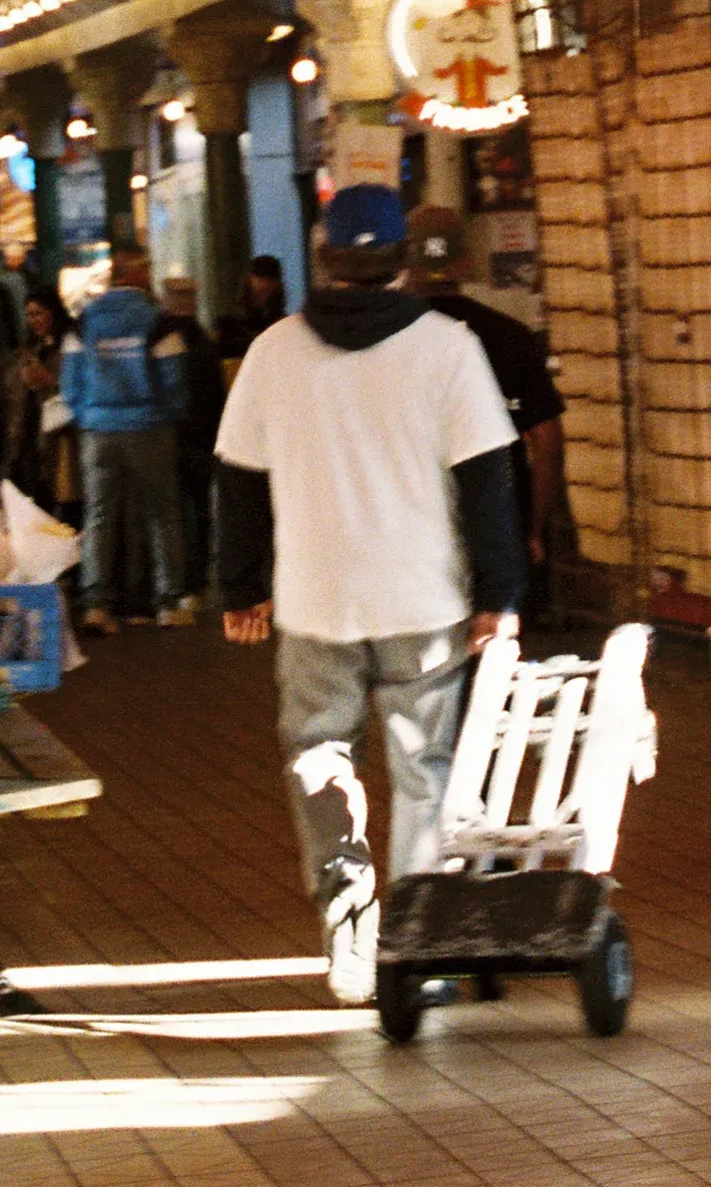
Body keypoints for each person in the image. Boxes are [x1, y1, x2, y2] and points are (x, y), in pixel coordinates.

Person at [215, 183, 525, 1004]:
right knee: (423, 768)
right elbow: (489, 479)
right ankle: (417, 946)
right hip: (424, 601)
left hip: (314, 601)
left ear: (323, 258)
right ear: (399, 264)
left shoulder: (274, 351)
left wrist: (241, 587)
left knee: (318, 752)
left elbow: (238, 480)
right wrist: (500, 593)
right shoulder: (447, 347)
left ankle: (348, 914)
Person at [402, 207, 566, 611]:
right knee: (496, 656)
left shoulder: (388, 343)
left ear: (405, 263)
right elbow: (548, 444)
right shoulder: (511, 336)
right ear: (467, 261)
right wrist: (534, 528)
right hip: (499, 530)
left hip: (413, 534)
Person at [63, 250, 189, 631]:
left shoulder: (83, 323)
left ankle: (96, 605)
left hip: (98, 431)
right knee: (162, 515)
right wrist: (167, 415)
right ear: (135, 273)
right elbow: (174, 379)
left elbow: (69, 382)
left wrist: (87, 415)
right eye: (147, 268)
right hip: (149, 428)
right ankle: (168, 602)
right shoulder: (159, 322)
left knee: (99, 517)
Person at [155, 273, 226, 602]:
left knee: (173, 512)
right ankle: (197, 582)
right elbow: (217, 394)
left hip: (170, 436)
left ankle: (178, 582)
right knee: (200, 509)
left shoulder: (159, 336)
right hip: (203, 436)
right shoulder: (203, 339)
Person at [1, 287, 70, 503]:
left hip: (58, 434)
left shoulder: (68, 346)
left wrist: (48, 379)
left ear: (53, 312)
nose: (33, 320)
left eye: (38, 313)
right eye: (29, 315)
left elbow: (74, 387)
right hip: (28, 430)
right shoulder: (31, 347)